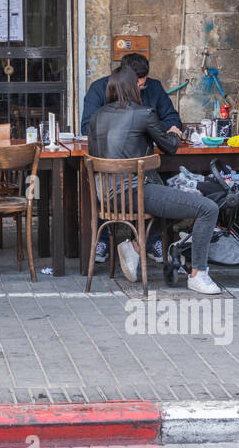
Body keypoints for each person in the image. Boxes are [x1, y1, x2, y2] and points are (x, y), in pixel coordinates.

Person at [89, 65, 222, 294]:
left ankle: (135, 246)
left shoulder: (97, 116)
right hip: (134, 193)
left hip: (106, 196)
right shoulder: (144, 113)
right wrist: (174, 132)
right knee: (208, 207)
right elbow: (170, 147)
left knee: (164, 193)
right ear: (134, 89)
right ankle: (198, 275)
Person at [81, 52, 181, 139]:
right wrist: (149, 128)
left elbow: (174, 121)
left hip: (147, 153)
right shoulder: (98, 88)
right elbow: (87, 128)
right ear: (123, 78)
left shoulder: (155, 86)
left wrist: (143, 129)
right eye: (135, 86)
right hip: (109, 154)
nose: (138, 89)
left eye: (142, 86)